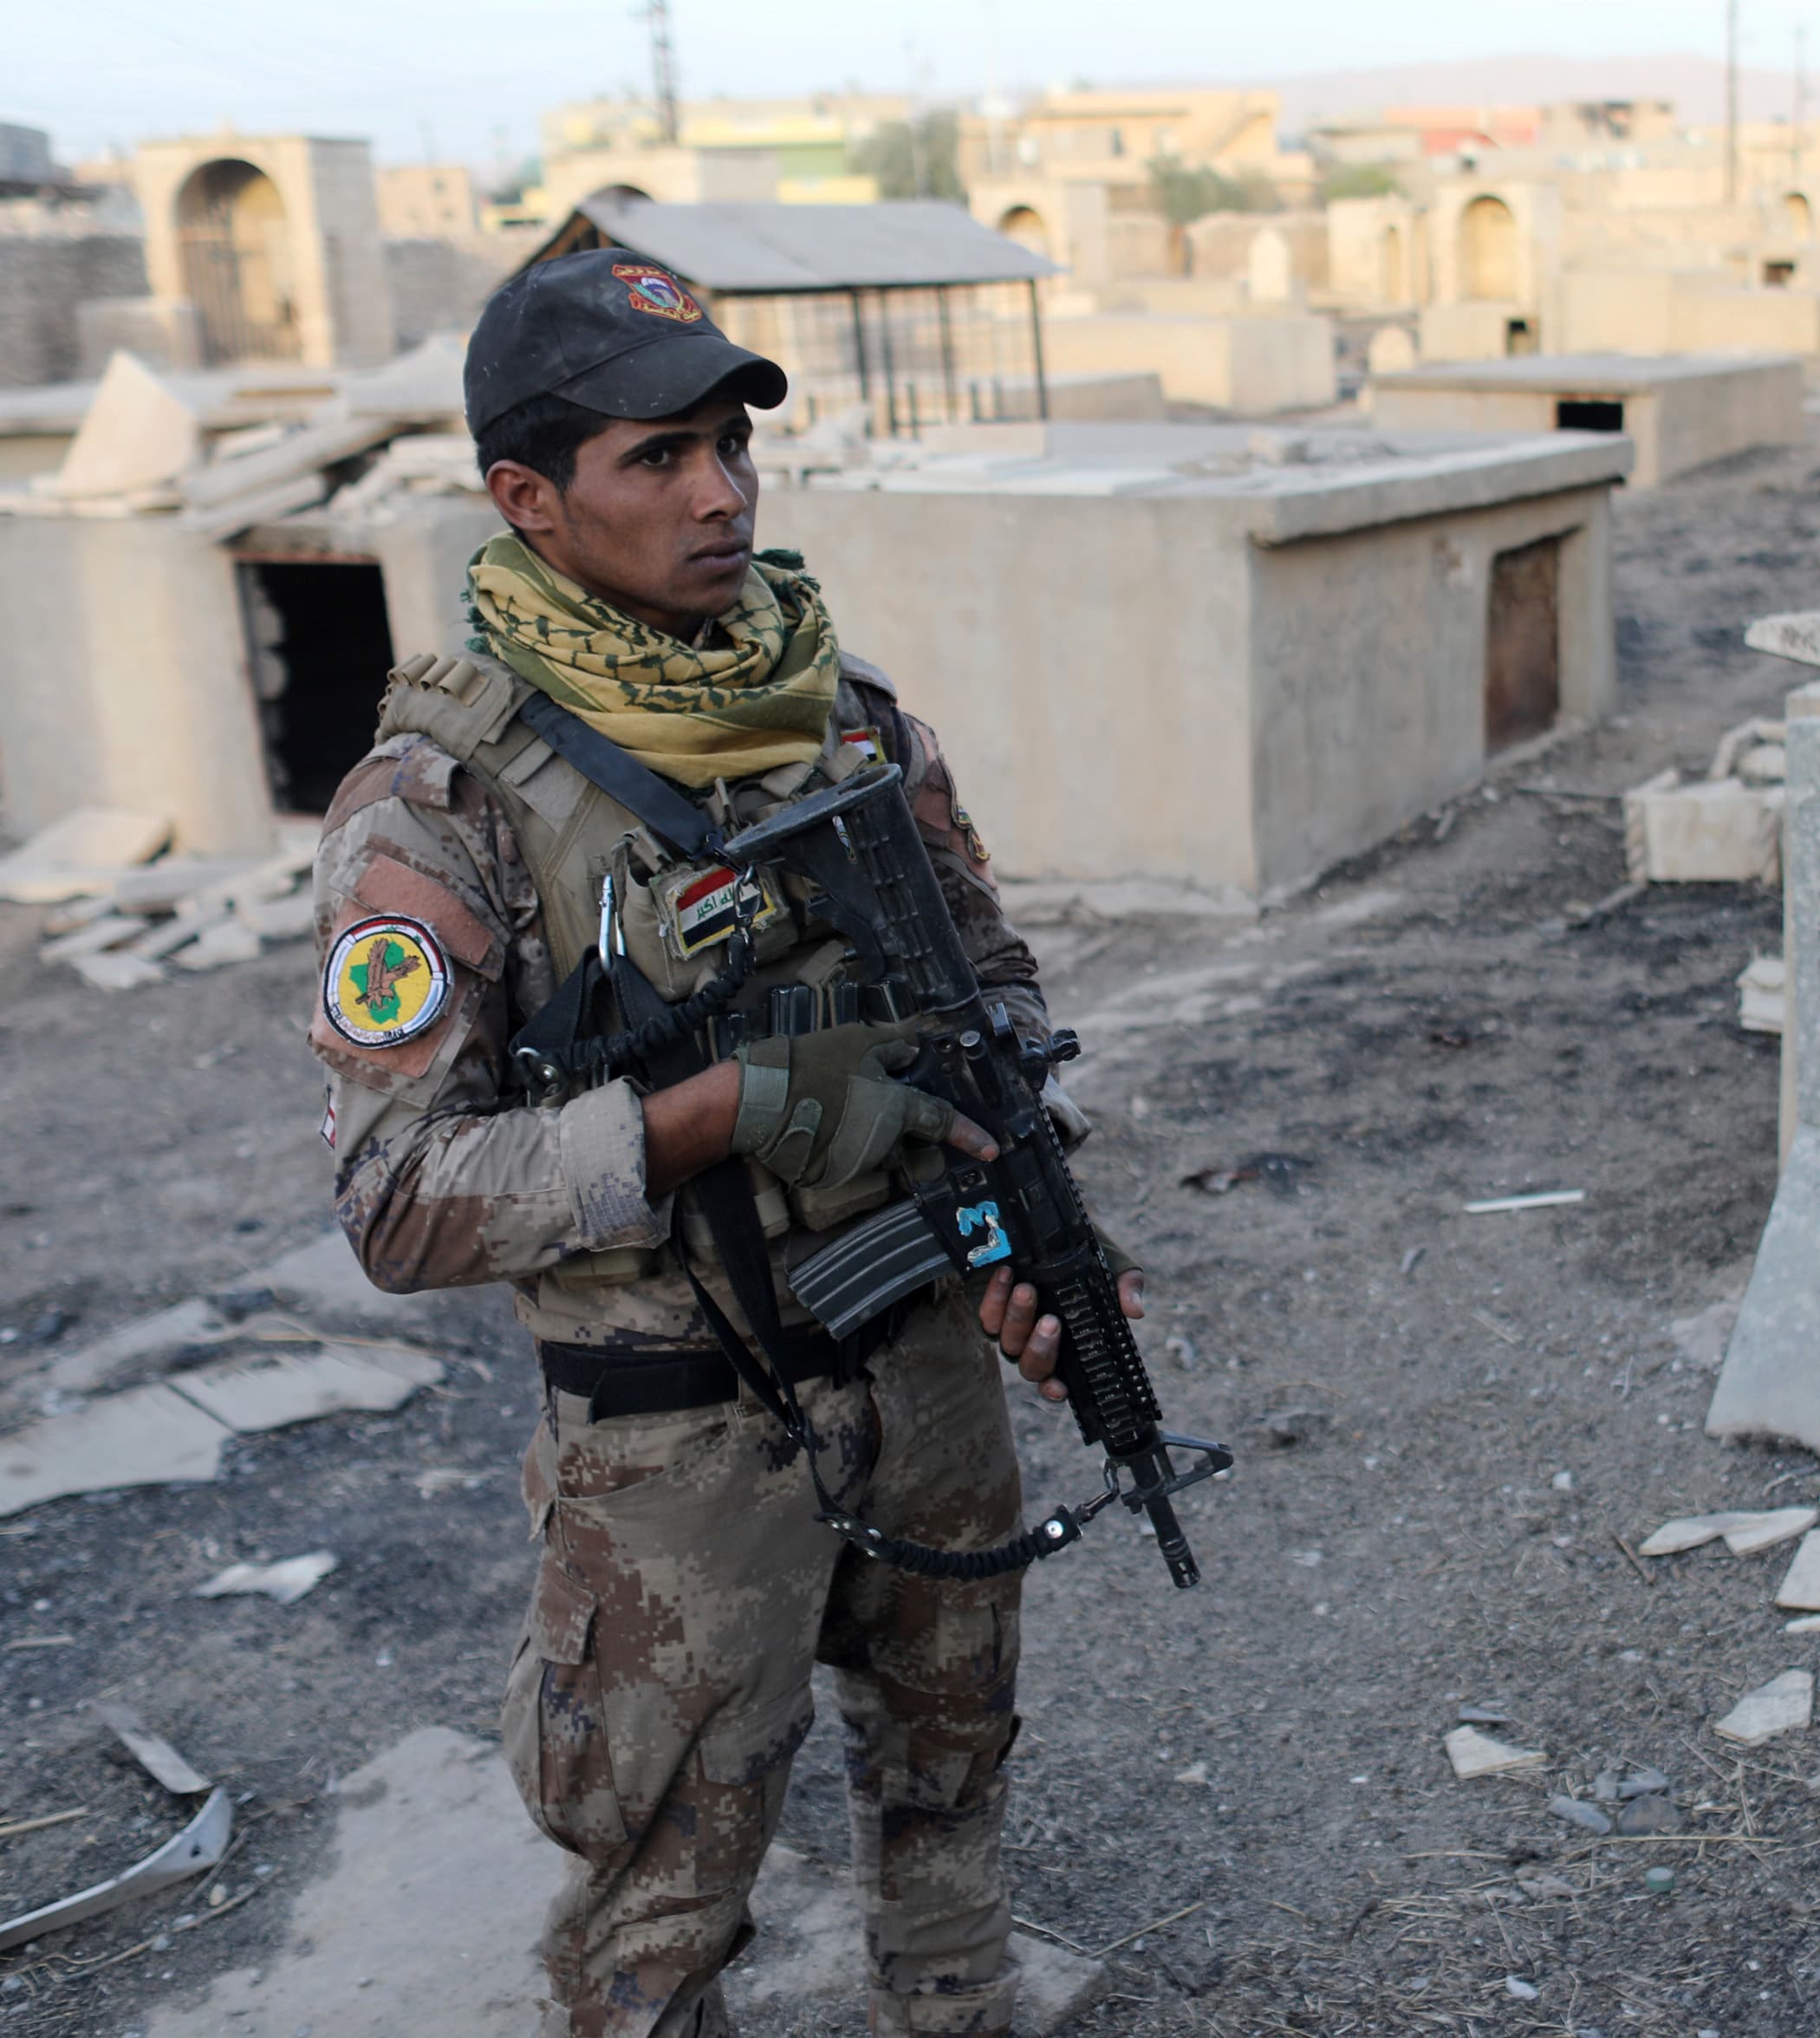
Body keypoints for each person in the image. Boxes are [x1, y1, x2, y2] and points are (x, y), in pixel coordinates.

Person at [306, 248, 1137, 2037]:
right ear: (527, 498)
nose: (721, 493)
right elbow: (397, 1206)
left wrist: (1025, 1230)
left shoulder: (849, 719)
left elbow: (987, 1010)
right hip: (677, 1441)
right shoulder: (438, 802)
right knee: (666, 1892)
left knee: (952, 1768)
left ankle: (954, 2003)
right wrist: (708, 1113)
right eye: (659, 458)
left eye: (733, 449)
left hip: (915, 1358)